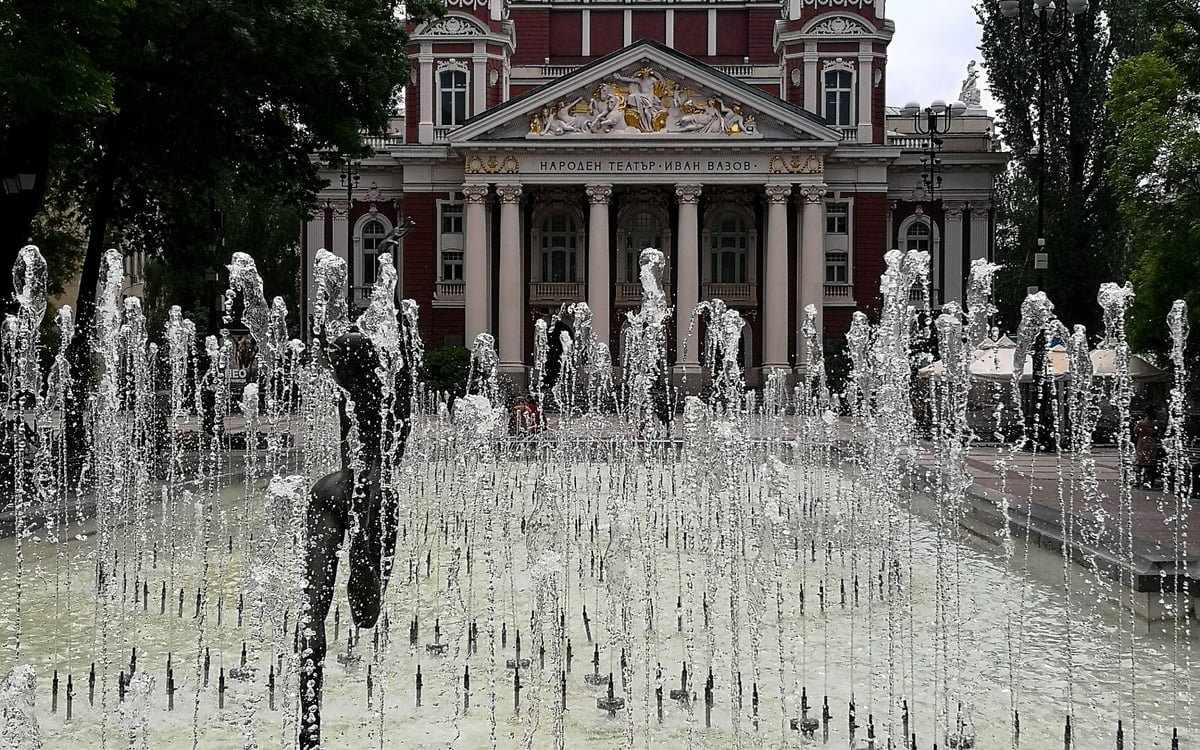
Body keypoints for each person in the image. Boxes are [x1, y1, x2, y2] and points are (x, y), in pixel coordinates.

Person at [1134, 405, 1160, 489]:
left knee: (1140, 462)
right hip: (1151, 443)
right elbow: (1158, 433)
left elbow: (1135, 431)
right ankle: (1148, 481)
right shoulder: (1155, 423)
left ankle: (1138, 481)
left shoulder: (1141, 423)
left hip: (1142, 443)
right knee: (1150, 464)